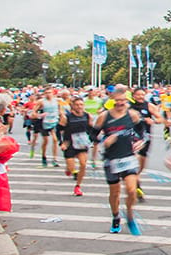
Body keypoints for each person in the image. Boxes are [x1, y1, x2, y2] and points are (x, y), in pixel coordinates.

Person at [93, 86, 144, 235]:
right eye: (117, 101)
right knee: (114, 193)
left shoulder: (133, 115)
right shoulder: (104, 116)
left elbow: (142, 132)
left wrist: (140, 141)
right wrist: (104, 140)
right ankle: (115, 217)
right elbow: (92, 135)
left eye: (123, 100)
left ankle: (129, 216)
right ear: (112, 100)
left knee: (131, 190)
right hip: (111, 159)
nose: (120, 103)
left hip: (128, 157)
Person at [129, 88, 162, 201]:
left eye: (142, 95)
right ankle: (136, 185)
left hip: (146, 138)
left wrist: (153, 121)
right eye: (138, 95)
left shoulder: (149, 106)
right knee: (133, 162)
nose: (140, 97)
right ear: (133, 96)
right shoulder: (128, 106)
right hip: (131, 137)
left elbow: (159, 118)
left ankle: (136, 180)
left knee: (141, 165)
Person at [59, 96, 92, 196]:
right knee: (71, 168)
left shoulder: (87, 116)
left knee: (83, 164)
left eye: (81, 104)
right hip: (70, 143)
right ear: (72, 106)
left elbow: (91, 129)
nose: (79, 106)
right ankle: (68, 169)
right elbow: (59, 130)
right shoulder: (66, 117)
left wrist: (92, 140)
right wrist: (62, 143)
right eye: (77, 105)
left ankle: (78, 186)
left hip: (82, 143)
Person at [38, 87, 61, 167]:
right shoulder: (41, 102)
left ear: (53, 93)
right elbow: (33, 113)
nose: (48, 94)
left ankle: (55, 159)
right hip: (45, 122)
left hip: (54, 121)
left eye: (50, 92)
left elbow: (61, 111)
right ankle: (44, 157)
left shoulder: (57, 101)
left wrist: (62, 117)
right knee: (46, 141)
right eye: (46, 93)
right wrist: (40, 115)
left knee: (55, 140)